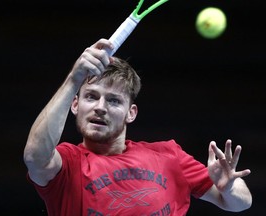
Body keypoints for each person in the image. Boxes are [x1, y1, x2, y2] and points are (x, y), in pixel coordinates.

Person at [23, 38, 252, 216]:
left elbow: (240, 203)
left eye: (113, 100)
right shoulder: (68, 164)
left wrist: (228, 188)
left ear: (131, 113)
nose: (100, 107)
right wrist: (74, 79)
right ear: (74, 104)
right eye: (91, 97)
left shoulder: (169, 156)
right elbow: (34, 156)